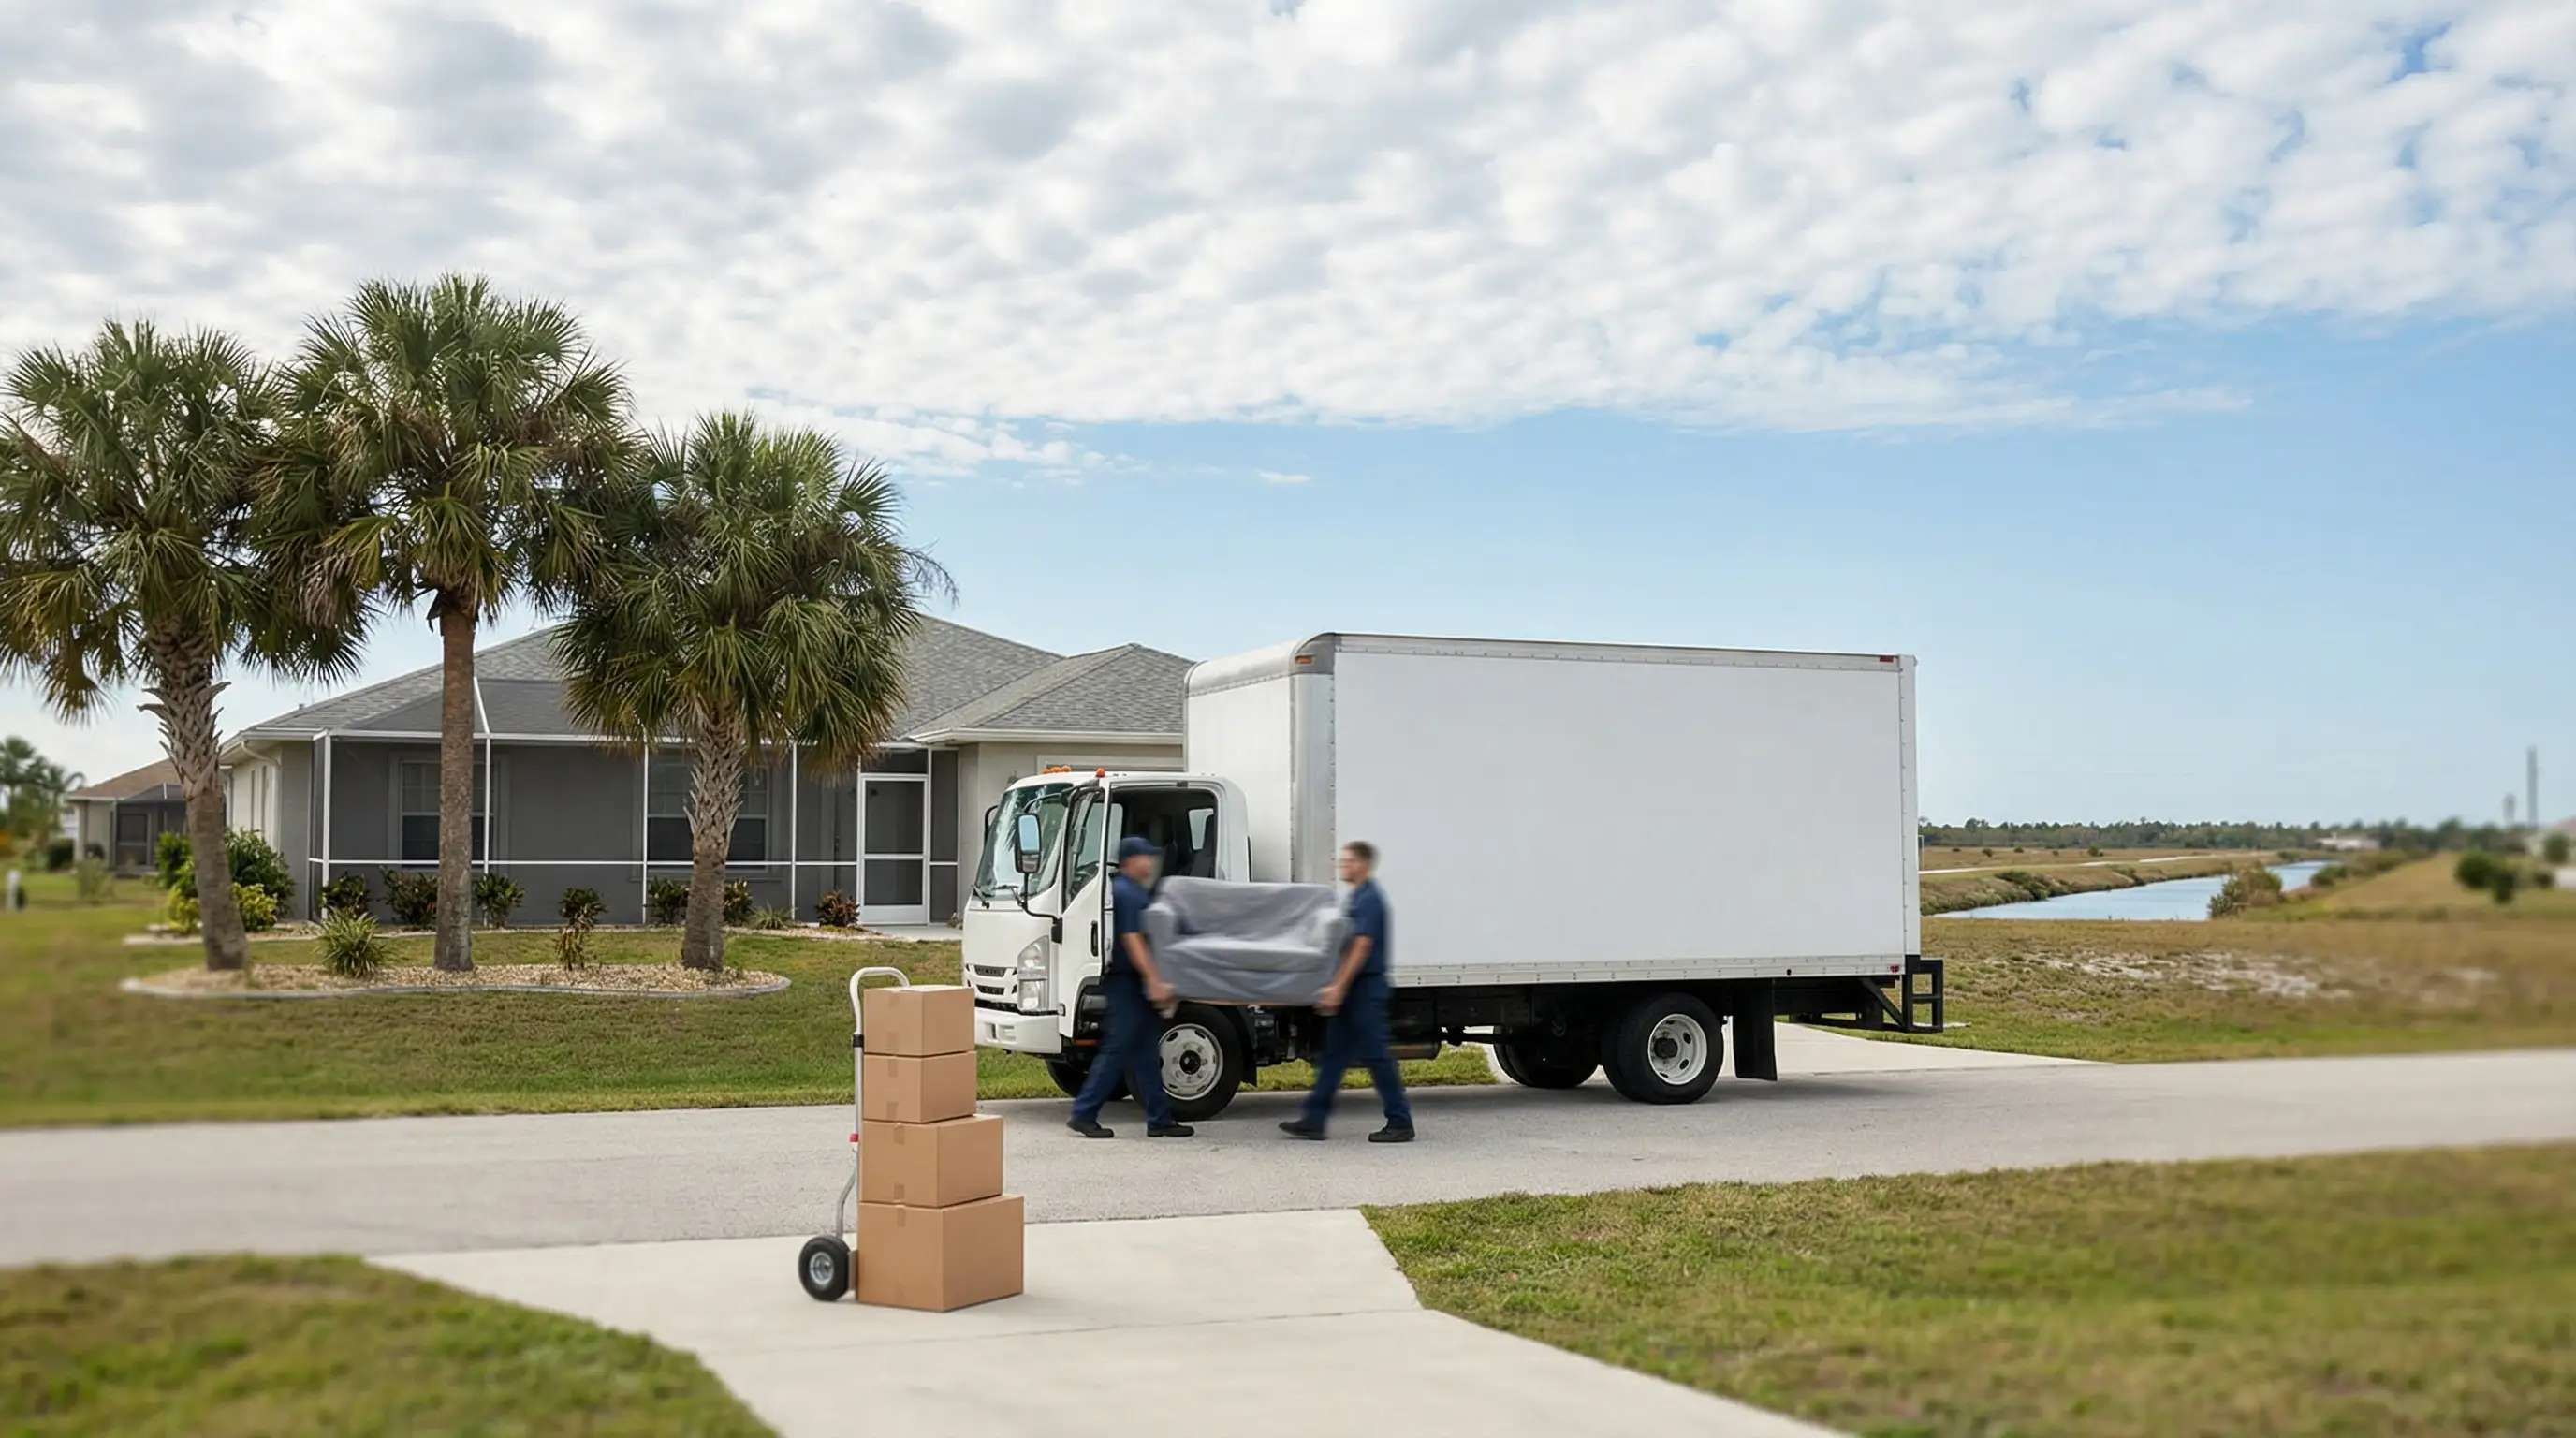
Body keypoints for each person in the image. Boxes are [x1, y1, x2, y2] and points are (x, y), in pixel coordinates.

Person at [1281, 840, 1413, 1143]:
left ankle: (1400, 1121)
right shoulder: (1356, 897)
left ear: (1363, 864)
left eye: (1349, 861)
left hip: (1365, 990)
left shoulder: (1369, 898)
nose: (1344, 865)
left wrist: (1338, 986)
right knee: (1334, 1056)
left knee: (1377, 1057)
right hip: (1354, 989)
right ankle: (1314, 1120)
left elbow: (1361, 946)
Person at [1067, 835, 1194, 1138]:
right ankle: (1084, 1113)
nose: (1150, 862)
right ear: (1129, 861)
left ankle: (1159, 1118)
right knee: (1116, 1050)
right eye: (1145, 857)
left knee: (1146, 1052)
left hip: (1133, 984)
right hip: (1127, 983)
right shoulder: (1128, 893)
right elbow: (1132, 939)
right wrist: (1154, 978)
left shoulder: (1132, 890)